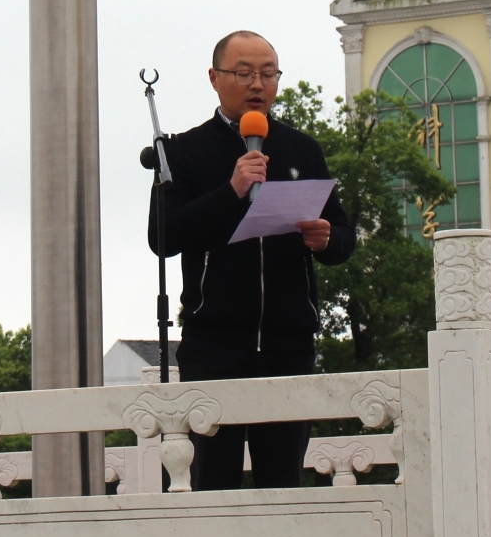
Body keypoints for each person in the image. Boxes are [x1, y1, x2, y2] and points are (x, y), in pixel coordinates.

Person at [148, 30, 356, 489]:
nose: (257, 85)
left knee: (283, 486)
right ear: (215, 78)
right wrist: (232, 190)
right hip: (214, 348)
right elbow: (163, 237)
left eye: (267, 74)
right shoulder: (184, 151)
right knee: (213, 485)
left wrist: (327, 239)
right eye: (244, 74)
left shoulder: (302, 149)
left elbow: (343, 235)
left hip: (289, 345)